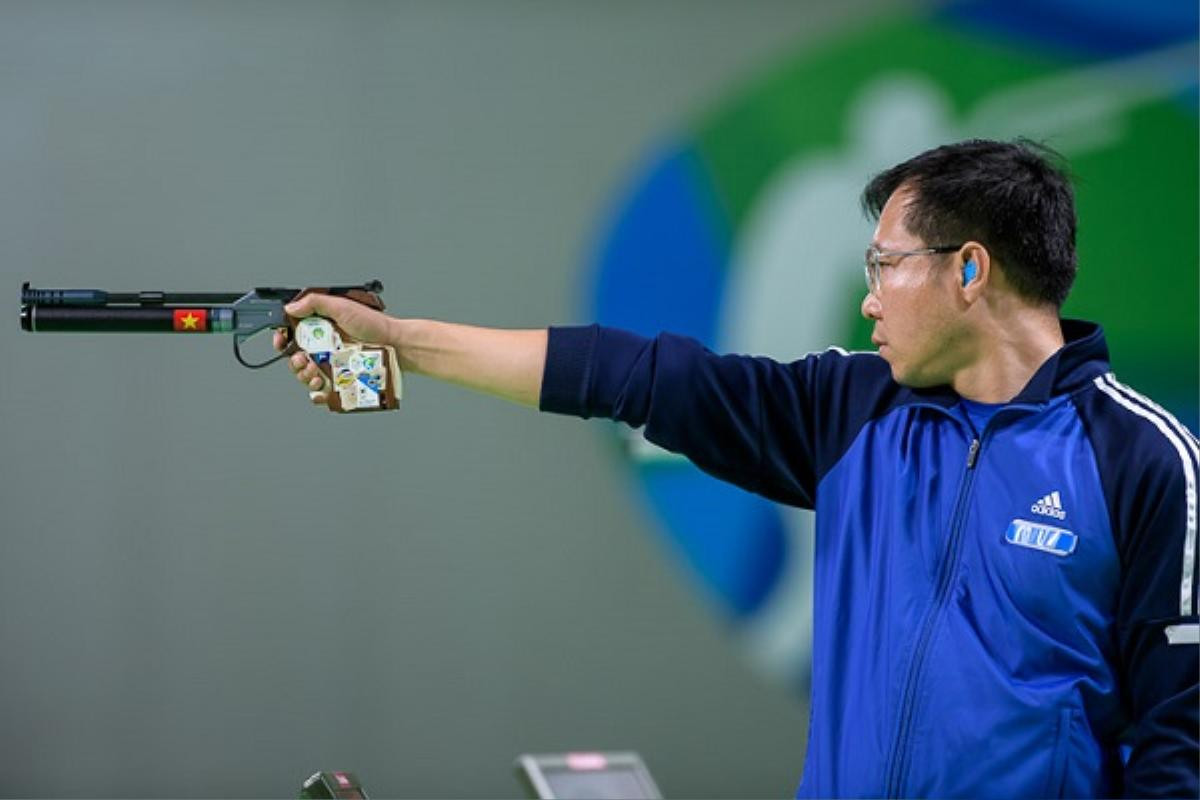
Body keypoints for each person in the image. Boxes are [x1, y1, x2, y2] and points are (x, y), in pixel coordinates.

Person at [276, 139, 1198, 798]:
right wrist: (401, 343)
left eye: (884, 265)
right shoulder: (851, 409)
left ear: (968, 271)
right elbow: (628, 375)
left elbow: (1180, 743)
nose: (869, 299)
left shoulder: (1143, 459)